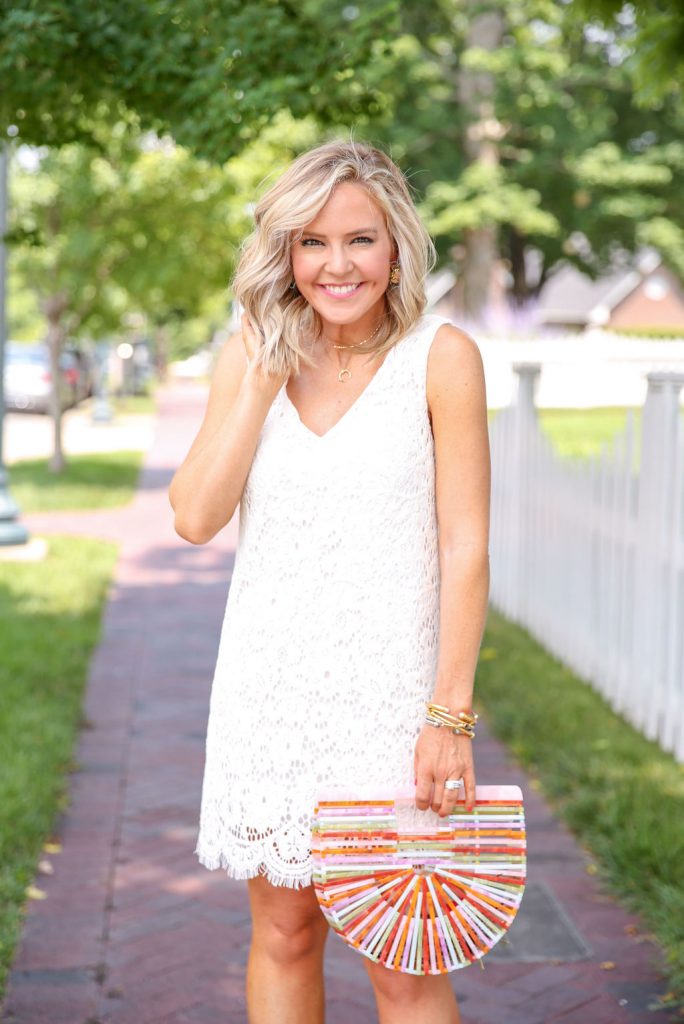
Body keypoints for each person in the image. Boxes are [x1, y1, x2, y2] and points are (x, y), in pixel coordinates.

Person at [168, 139, 491, 1024]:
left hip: (394, 704)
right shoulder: (248, 356)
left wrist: (449, 716)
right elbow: (194, 517)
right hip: (271, 698)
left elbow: (465, 547)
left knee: (403, 960)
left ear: (396, 247)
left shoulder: (442, 357)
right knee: (284, 935)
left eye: (359, 240)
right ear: (285, 252)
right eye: (312, 242)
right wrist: (263, 378)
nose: (337, 265)